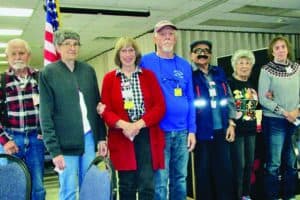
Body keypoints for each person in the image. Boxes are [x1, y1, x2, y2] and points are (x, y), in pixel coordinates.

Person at [39, 30, 107, 200]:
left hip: (90, 139)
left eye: (76, 44)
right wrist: (54, 151)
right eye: (67, 43)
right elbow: (45, 115)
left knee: (90, 187)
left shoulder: (88, 70)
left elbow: (97, 106)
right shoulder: (49, 73)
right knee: (68, 190)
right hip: (64, 145)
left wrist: (101, 137)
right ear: (57, 47)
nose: (72, 47)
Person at [97, 37, 166, 200]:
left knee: (147, 184)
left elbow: (160, 106)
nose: (128, 55)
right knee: (126, 185)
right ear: (118, 54)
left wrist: (138, 125)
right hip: (121, 136)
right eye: (124, 51)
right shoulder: (109, 79)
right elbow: (105, 110)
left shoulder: (148, 76)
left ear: (136, 53)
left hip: (146, 135)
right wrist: (124, 125)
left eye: (131, 50)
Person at [140, 20, 196, 200]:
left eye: (170, 34)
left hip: (182, 131)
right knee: (160, 180)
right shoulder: (144, 62)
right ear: (155, 38)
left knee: (180, 179)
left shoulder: (185, 65)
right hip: (158, 131)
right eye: (162, 34)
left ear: (175, 37)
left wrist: (192, 130)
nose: (167, 37)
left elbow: (190, 98)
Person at [0, 38, 45, 200]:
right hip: (11, 140)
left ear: (29, 56)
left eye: (21, 53)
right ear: (8, 58)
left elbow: (50, 110)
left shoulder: (40, 78)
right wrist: (5, 140)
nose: (18, 57)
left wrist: (44, 131)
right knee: (12, 187)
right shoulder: (1, 81)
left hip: (36, 140)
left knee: (37, 186)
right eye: (14, 54)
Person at [190, 40, 236, 200]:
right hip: (201, 133)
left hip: (221, 131)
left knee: (224, 172)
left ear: (210, 55)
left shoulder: (219, 72)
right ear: (192, 55)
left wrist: (231, 122)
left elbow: (228, 98)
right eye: (198, 50)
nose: (202, 53)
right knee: (203, 174)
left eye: (206, 50)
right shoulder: (190, 76)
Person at [258, 36, 299, 200]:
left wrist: (297, 111)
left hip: (295, 119)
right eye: (277, 48)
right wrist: (285, 112)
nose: (281, 50)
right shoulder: (266, 70)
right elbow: (263, 98)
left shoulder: (297, 68)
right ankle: (273, 197)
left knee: (291, 162)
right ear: (272, 51)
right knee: (274, 163)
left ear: (288, 49)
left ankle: (289, 195)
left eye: (283, 47)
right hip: (275, 121)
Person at [228, 49, 258, 200]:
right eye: (241, 63)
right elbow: (226, 107)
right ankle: (237, 195)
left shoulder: (251, 83)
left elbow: (254, 106)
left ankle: (246, 195)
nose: (244, 66)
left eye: (247, 63)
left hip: (251, 130)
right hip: (236, 131)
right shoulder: (229, 83)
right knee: (238, 166)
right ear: (235, 65)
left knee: (249, 165)